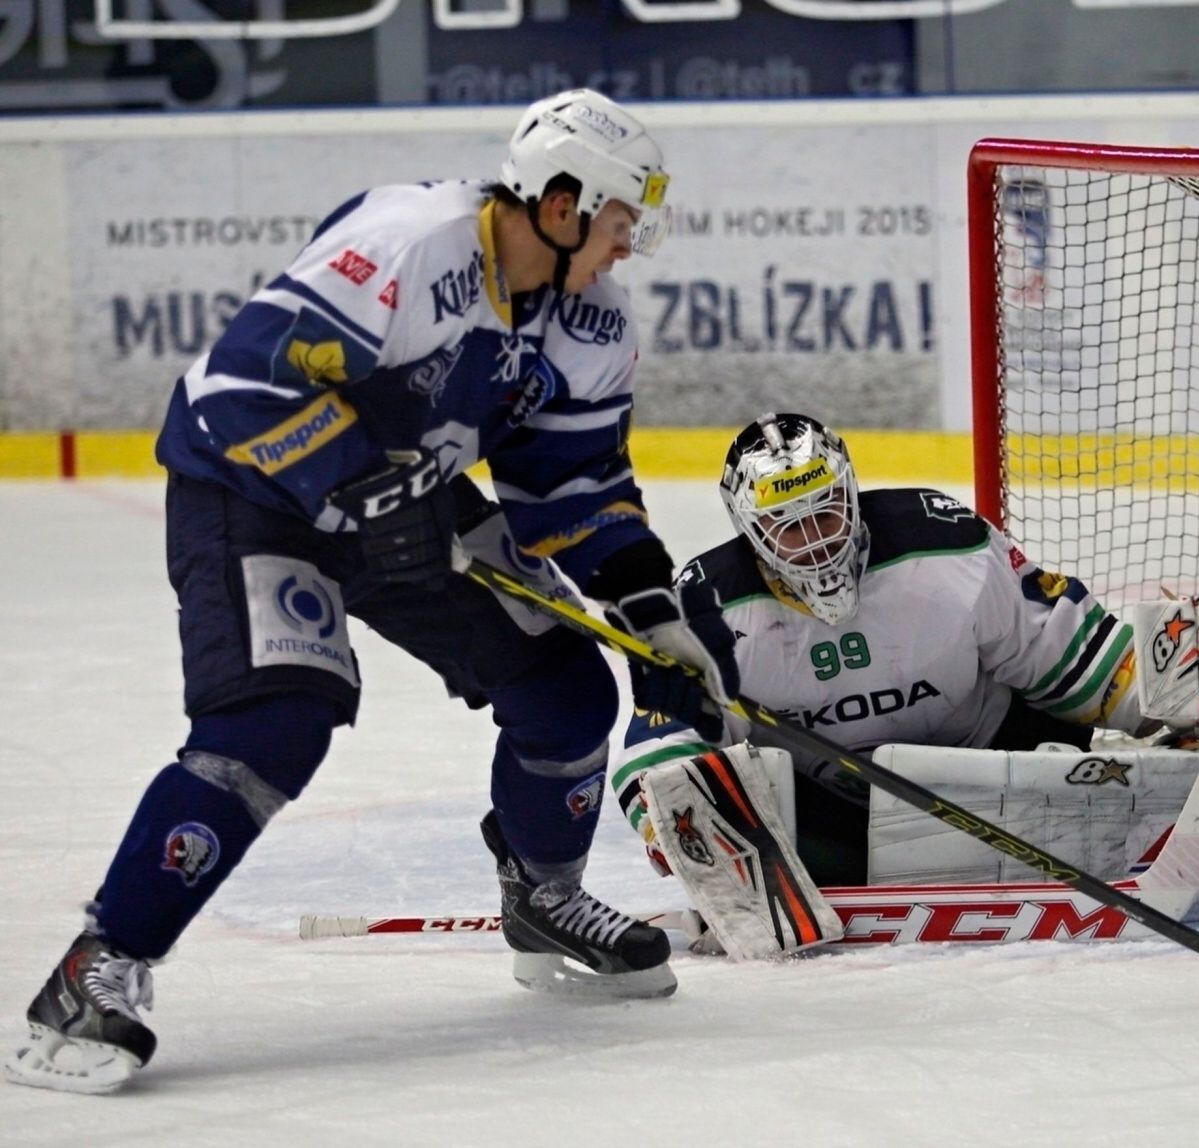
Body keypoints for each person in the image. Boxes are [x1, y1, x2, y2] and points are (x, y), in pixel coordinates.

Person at [5, 89, 738, 1096]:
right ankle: (95, 970)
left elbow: (572, 485)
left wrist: (653, 615)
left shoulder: (589, 320)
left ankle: (543, 895)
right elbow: (237, 389)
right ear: (561, 204)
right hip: (254, 493)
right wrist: (353, 483)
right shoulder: (411, 243)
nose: (627, 246)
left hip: (411, 501)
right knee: (274, 721)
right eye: (618, 221)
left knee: (567, 689)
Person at [612, 412, 1199, 959]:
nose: (819, 539)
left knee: (1091, 741)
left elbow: (1065, 654)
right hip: (835, 815)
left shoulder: (948, 547)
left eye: (828, 512)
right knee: (725, 792)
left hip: (1008, 764)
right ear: (750, 529)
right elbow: (660, 751)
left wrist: (1174, 703)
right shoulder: (707, 609)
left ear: (852, 492)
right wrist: (672, 825)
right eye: (790, 527)